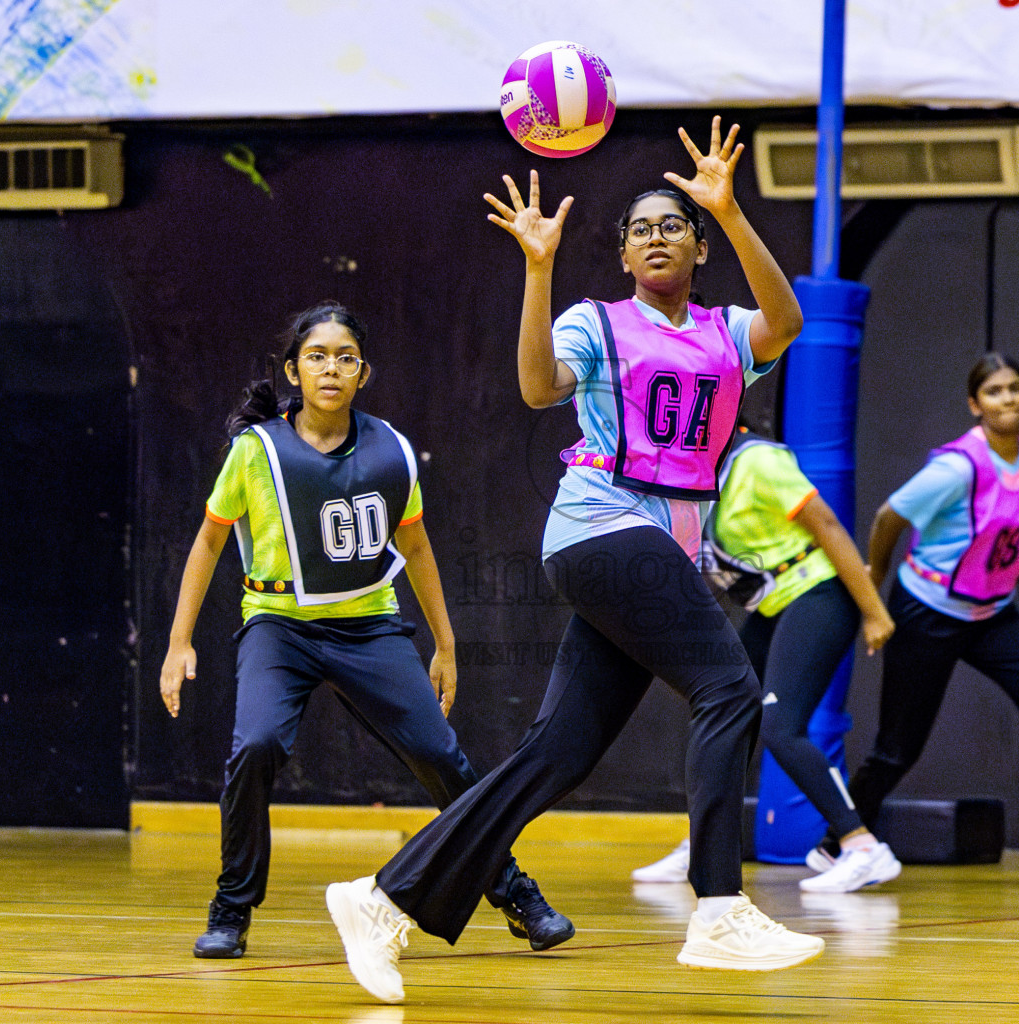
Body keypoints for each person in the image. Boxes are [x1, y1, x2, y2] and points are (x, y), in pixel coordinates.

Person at [325, 116, 824, 1006]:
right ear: (625, 256)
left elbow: (787, 320)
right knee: (729, 689)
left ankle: (382, 898)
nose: (656, 236)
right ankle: (718, 908)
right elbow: (536, 386)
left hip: (660, 546)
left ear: (699, 247)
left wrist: (730, 207)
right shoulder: (598, 321)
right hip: (602, 529)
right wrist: (537, 266)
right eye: (639, 228)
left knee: (559, 752)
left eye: (673, 224)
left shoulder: (724, 332)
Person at [160, 302, 572, 961]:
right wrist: (179, 643)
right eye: (317, 356)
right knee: (257, 745)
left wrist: (444, 642)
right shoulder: (255, 451)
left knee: (441, 757)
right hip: (280, 626)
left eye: (344, 357)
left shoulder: (391, 449)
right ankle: (231, 909)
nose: (331, 367)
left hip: (368, 626)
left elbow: (417, 547)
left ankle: (516, 893)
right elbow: (209, 543)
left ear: (363, 372)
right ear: (294, 370)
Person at [833, 352, 1019, 882]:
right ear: (975, 405)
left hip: (990, 613)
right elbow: (887, 518)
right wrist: (873, 600)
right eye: (994, 391)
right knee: (897, 749)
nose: (1008, 398)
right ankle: (839, 842)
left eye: (1016, 387)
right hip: (928, 611)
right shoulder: (956, 468)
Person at [631, 425, 903, 892]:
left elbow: (829, 527)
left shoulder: (757, 461)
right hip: (772, 605)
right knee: (721, 712)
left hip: (817, 596)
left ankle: (863, 847)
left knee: (781, 726)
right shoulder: (698, 478)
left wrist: (873, 612)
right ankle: (703, 843)